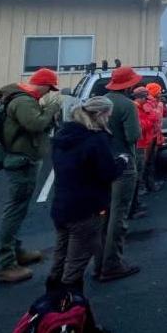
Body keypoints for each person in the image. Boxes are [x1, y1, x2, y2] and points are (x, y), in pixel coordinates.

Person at [48, 97, 129, 294]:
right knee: (76, 263)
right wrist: (122, 162)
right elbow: (107, 173)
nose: (108, 120)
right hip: (86, 210)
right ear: (100, 115)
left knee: (60, 257)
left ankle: (51, 298)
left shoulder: (62, 136)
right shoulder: (95, 140)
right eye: (108, 116)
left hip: (62, 206)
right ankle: (69, 305)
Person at [0, 68, 61, 284]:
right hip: (21, 161)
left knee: (19, 209)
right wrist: (51, 109)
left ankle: (15, 251)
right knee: (15, 210)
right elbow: (36, 124)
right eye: (49, 88)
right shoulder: (23, 101)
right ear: (43, 84)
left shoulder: (23, 99)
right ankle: (5, 264)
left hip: (23, 159)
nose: (49, 93)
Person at [95, 66, 142, 282]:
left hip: (102, 163)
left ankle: (99, 263)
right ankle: (112, 264)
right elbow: (133, 136)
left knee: (103, 215)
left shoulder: (100, 102)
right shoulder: (127, 105)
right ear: (129, 85)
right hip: (123, 164)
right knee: (118, 215)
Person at [130, 86, 156, 218]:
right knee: (136, 175)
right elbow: (142, 125)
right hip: (139, 145)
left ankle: (135, 204)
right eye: (145, 98)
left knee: (139, 174)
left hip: (143, 143)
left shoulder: (139, 107)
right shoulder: (135, 108)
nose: (147, 100)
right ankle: (133, 207)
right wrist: (151, 118)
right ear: (140, 97)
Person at [142, 82, 167, 192]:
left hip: (154, 136)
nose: (160, 93)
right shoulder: (146, 103)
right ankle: (142, 186)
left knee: (151, 161)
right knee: (144, 162)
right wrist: (161, 104)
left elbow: (165, 114)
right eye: (159, 91)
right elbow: (156, 117)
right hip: (146, 138)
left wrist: (163, 105)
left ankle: (150, 184)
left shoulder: (156, 102)